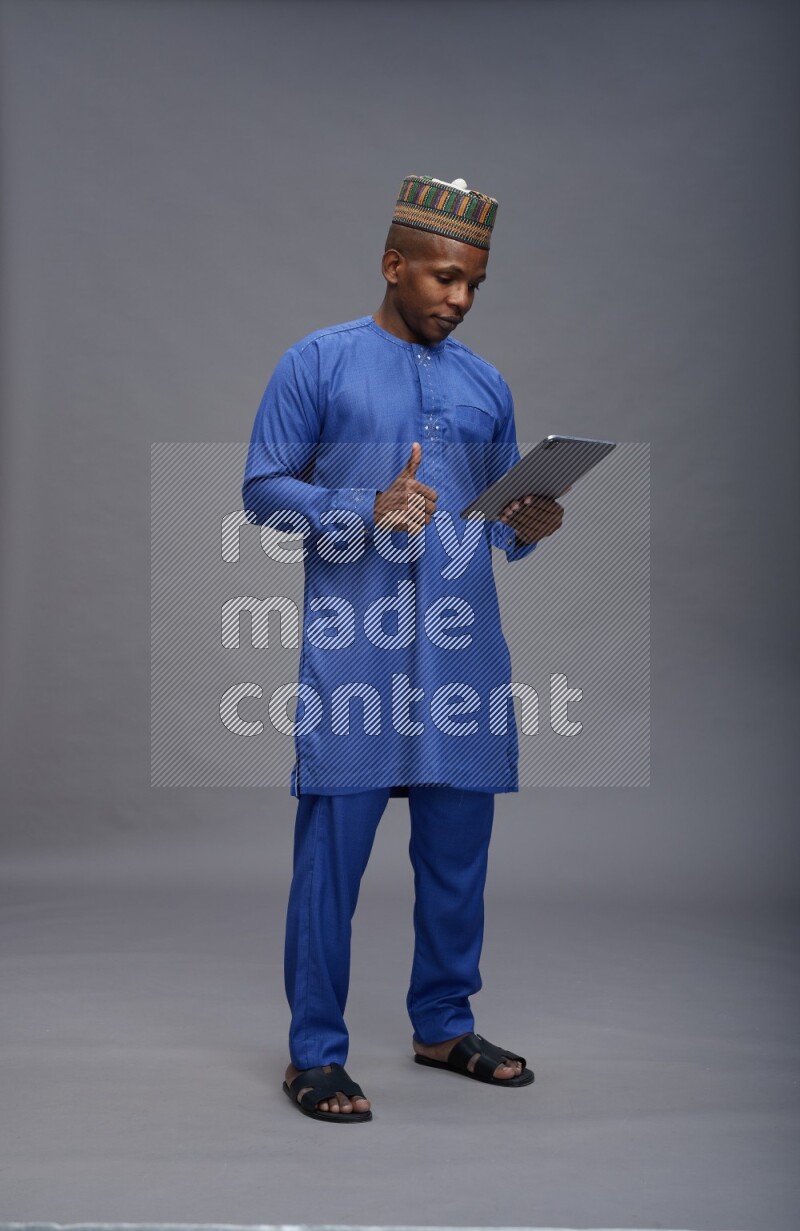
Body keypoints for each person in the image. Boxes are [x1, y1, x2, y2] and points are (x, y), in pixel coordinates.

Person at [242, 174, 564, 1122]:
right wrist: (361, 506)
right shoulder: (319, 362)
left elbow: (497, 522)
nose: (458, 298)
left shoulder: (485, 384)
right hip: (356, 652)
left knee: (457, 857)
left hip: (462, 656)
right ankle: (314, 1053)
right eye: (443, 277)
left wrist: (533, 521)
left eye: (472, 285)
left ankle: (442, 1024)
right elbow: (262, 488)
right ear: (395, 266)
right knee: (330, 863)